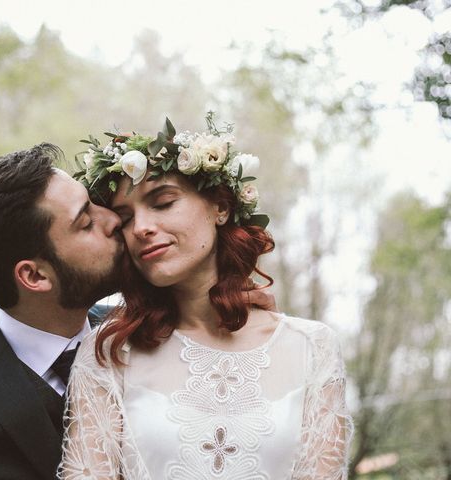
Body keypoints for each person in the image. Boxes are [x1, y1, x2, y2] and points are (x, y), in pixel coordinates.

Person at [0, 143, 276, 480]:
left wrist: (239, 332)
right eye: (85, 222)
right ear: (35, 276)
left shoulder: (161, 331)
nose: (114, 220)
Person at [59, 114, 354, 479]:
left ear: (220, 207)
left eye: (163, 202)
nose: (142, 228)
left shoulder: (313, 347)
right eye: (125, 218)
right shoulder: (109, 353)